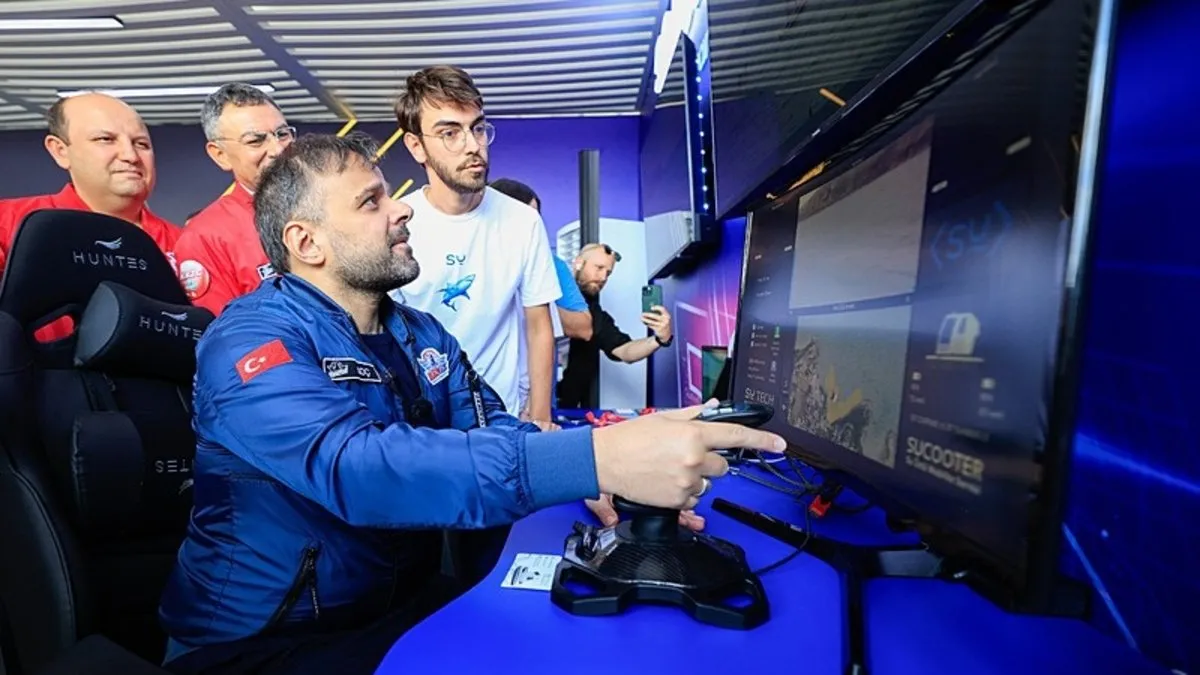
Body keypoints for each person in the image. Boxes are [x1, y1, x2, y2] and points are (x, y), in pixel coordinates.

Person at [157, 133, 785, 675]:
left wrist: (606, 469)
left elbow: (492, 427)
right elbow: (358, 469)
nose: (401, 208)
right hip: (267, 642)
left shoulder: (420, 332)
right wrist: (598, 456)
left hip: (397, 606)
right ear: (307, 242)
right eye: (372, 201)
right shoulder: (250, 339)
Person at [389, 65, 559, 425]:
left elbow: (539, 326)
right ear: (416, 146)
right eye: (450, 133)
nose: (472, 146)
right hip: (427, 423)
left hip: (502, 418)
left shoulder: (524, 221)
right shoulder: (397, 222)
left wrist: (541, 417)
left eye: (478, 128)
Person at [0, 92, 180, 340]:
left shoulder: (187, 244)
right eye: (106, 139)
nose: (131, 156)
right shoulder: (9, 223)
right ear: (60, 151)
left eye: (141, 144)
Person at [174, 83, 295, 315]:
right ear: (220, 155)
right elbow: (222, 329)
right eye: (256, 140)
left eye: (282, 134)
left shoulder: (331, 205)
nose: (278, 150)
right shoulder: (204, 237)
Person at [488, 177, 591, 419]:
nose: (532, 227)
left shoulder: (550, 264)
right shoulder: (472, 260)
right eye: (524, 218)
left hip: (532, 403)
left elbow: (584, 327)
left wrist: (536, 303)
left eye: (535, 219)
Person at [557, 243, 675, 409]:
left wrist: (660, 339)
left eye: (608, 273)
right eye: (599, 268)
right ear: (578, 263)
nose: (603, 278)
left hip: (563, 408)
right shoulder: (549, 291)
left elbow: (625, 351)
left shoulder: (594, 313)